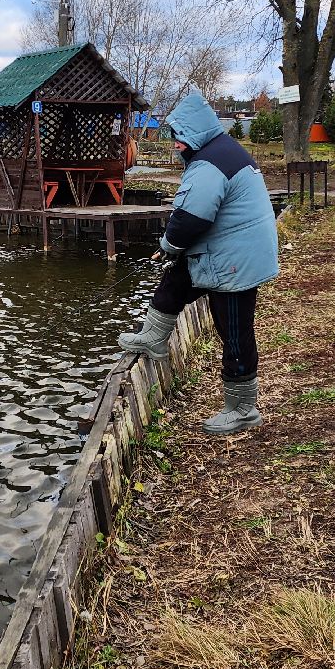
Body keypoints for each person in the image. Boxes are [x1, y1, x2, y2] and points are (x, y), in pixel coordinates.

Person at [118, 87, 280, 435]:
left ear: (194, 133)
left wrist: (169, 243)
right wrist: (173, 250)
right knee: (175, 281)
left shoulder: (209, 162)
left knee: (233, 330)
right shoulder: (218, 152)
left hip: (236, 260)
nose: (175, 143)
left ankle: (242, 408)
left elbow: (191, 218)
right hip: (225, 250)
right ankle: (153, 338)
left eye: (179, 136)